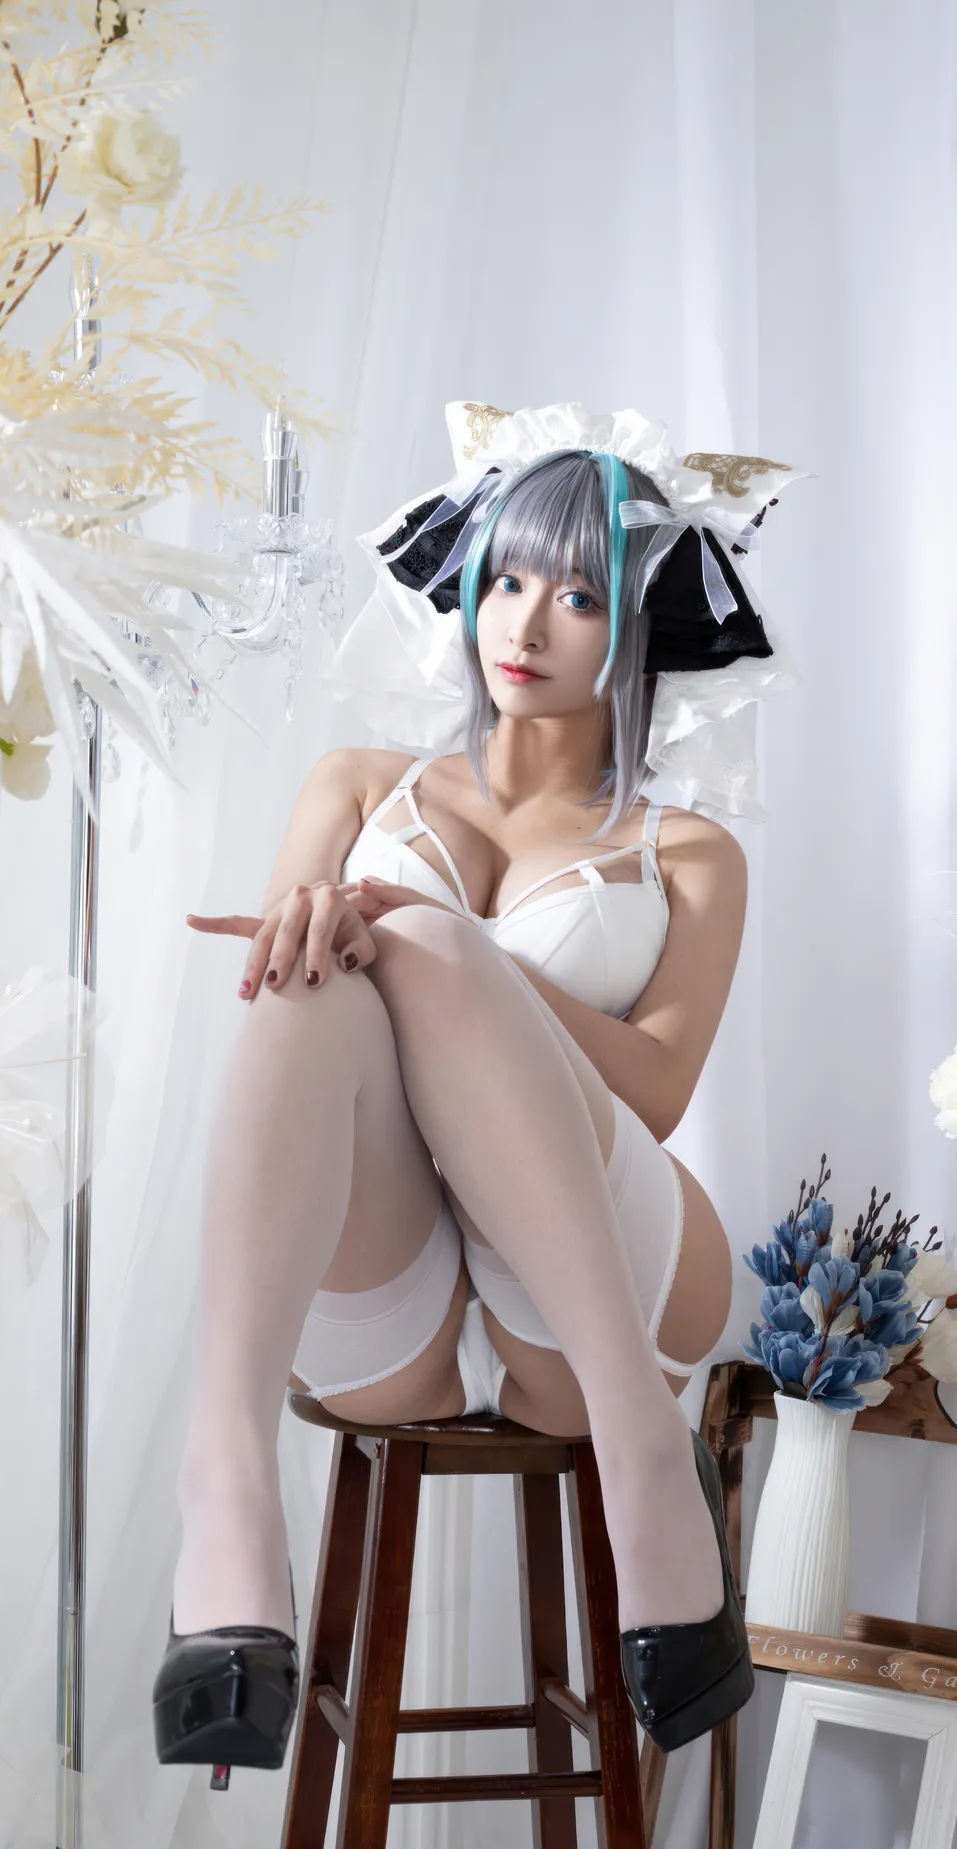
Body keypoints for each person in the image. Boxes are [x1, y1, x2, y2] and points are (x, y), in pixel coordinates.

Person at [151, 401, 803, 1773]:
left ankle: (641, 1444)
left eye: (580, 596)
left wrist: (460, 956)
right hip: (402, 1284)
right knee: (312, 979)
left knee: (421, 944)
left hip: (601, 1293)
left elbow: (657, 1093)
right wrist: (345, 931)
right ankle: (226, 1467)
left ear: (640, 626)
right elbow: (284, 1033)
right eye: (506, 579)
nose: (527, 623)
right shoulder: (356, 786)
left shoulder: (690, 851)